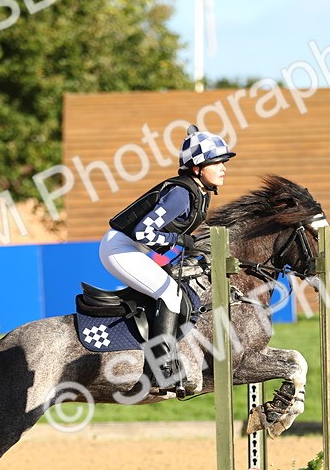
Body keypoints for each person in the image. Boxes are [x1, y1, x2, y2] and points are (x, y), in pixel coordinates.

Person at [100, 124, 234, 392]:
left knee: (175, 291)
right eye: (216, 162)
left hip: (133, 248)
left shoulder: (196, 193)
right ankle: (161, 368)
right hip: (120, 248)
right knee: (171, 294)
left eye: (223, 163)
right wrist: (181, 241)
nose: (223, 168)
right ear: (196, 168)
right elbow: (144, 231)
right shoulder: (181, 194)